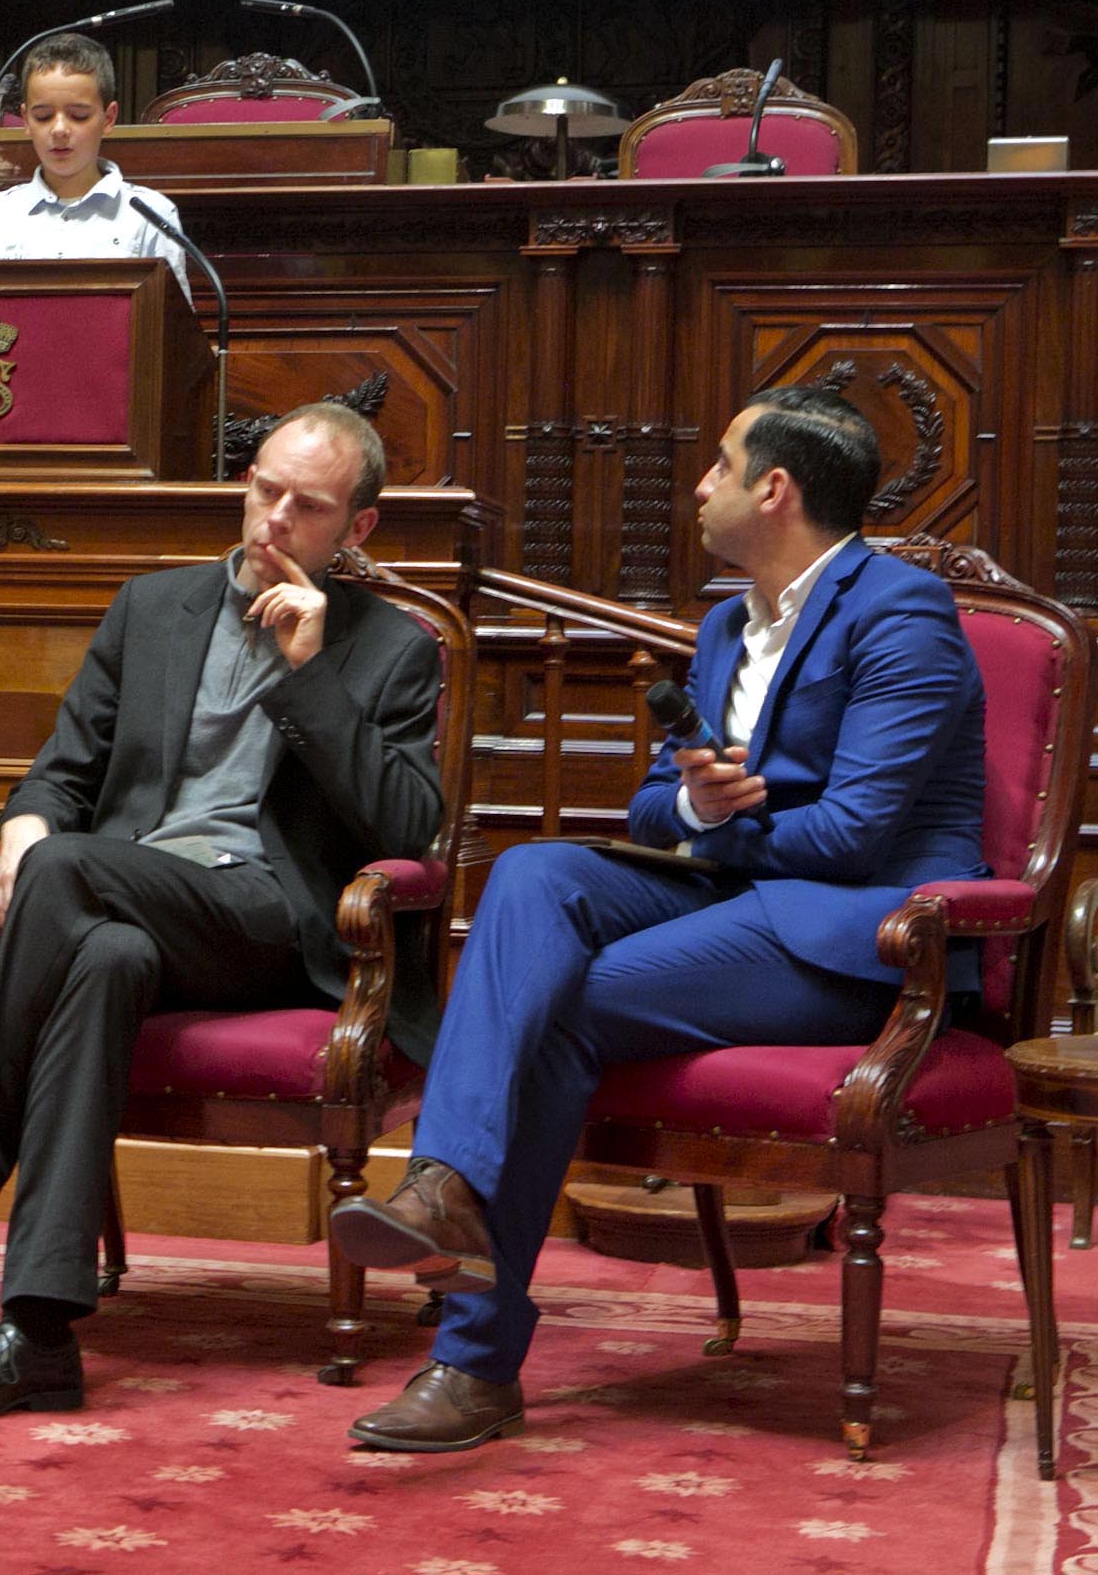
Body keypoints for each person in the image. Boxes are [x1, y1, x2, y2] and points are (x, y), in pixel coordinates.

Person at [328, 386, 987, 1453]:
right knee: (538, 876)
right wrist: (692, 805)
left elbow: (861, 834)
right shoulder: (727, 624)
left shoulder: (902, 613)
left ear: (775, 489)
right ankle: (439, 1188)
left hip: (856, 938)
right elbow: (649, 805)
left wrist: (718, 824)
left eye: (719, 464)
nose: (700, 484)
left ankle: (473, 1356)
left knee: (560, 1006)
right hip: (741, 895)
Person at [0, 403, 443, 1422]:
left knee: (72, 880)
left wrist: (310, 673)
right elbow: (59, 777)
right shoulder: (151, 610)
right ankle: (42, 1334)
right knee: (99, 953)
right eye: (264, 489)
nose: (275, 518)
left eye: (309, 506)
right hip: (129, 902)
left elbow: (409, 829)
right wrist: (25, 833)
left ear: (356, 529)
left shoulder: (388, 649)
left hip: (268, 924)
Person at [0, 32, 191, 300]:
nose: (59, 130)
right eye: (43, 116)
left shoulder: (152, 214)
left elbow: (173, 329)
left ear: (108, 118)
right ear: (25, 120)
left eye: (78, 116)